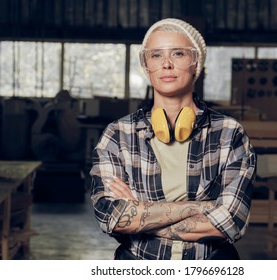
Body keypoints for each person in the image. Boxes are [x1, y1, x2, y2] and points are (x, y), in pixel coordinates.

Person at [89, 18, 256, 260]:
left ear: (196, 62)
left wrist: (140, 216)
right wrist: (205, 207)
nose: (166, 64)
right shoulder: (118, 135)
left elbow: (231, 221)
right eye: (156, 55)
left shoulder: (229, 133)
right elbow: (110, 217)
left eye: (178, 53)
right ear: (146, 66)